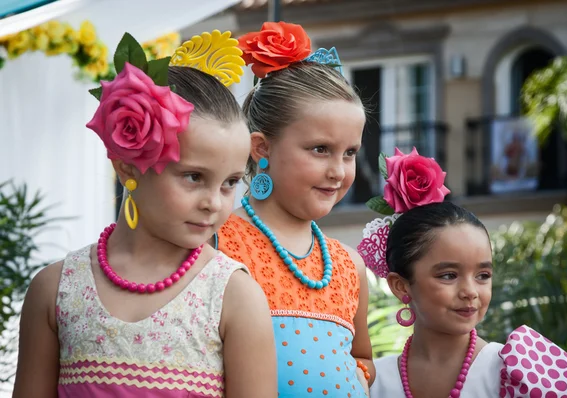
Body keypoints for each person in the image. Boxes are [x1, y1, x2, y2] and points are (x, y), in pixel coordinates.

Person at [12, 31, 277, 398]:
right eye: (194, 177)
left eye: (230, 183)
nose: (214, 202)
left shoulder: (234, 296)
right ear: (128, 168)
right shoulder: (55, 289)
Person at [214, 21, 374, 397]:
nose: (338, 171)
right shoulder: (216, 242)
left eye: (350, 153)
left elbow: (363, 359)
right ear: (261, 148)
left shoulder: (350, 266)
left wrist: (353, 378)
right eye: (320, 149)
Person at [357, 147, 567, 397]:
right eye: (448, 275)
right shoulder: (368, 381)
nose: (470, 291)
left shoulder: (521, 375)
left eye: (483, 276)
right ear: (401, 285)